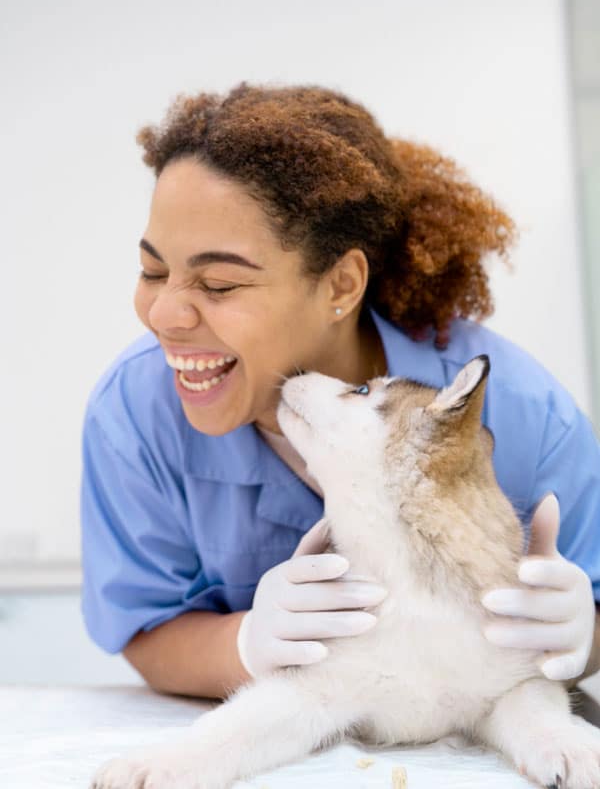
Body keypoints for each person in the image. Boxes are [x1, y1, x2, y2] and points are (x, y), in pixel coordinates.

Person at [80, 82, 600, 701]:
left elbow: (594, 618)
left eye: (218, 284)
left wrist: (578, 635)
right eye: (153, 271)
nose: (163, 314)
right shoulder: (135, 413)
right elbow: (145, 626)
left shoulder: (520, 414)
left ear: (341, 285)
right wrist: (243, 645)